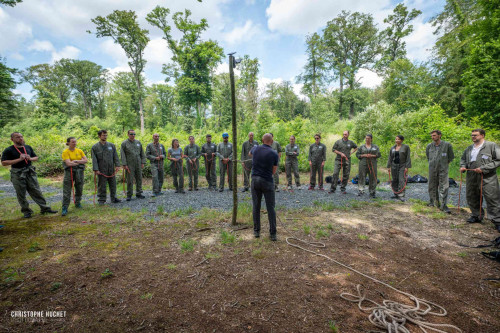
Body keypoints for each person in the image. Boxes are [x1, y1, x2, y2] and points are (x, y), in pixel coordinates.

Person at [1, 132, 58, 218]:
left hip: (30, 172)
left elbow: (36, 157)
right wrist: (19, 159)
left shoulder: (27, 147)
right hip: (17, 173)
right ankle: (26, 211)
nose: (20, 138)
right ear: (12, 139)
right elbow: (4, 163)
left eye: (21, 137)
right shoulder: (9, 150)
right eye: (17, 137)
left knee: (36, 190)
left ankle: (45, 208)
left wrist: (30, 158)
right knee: (21, 193)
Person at [460, 129, 500, 231]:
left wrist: (484, 168)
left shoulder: (491, 146)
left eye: (475, 135)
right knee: (472, 196)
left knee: (492, 198)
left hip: (487, 177)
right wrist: (463, 166)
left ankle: (497, 220)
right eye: (472, 135)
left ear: (482, 135)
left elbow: (498, 160)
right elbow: (463, 159)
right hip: (471, 176)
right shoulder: (469, 148)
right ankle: (476, 216)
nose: (473, 137)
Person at [250, 133, 279, 241]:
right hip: (267, 181)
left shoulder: (255, 148)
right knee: (270, 207)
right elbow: (274, 171)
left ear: (262, 140)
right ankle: (273, 234)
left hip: (255, 180)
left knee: (256, 206)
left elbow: (250, 154)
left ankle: (256, 231)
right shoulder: (274, 153)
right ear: (271, 141)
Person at [426, 130, 455, 213]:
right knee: (432, 185)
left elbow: (450, 157)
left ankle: (443, 205)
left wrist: (443, 164)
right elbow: (428, 157)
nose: (432, 137)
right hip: (432, 169)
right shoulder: (429, 146)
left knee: (443, 186)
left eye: (434, 135)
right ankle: (434, 202)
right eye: (431, 136)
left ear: (440, 135)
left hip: (443, 169)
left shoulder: (447, 145)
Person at [91, 130, 121, 205]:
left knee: (113, 184)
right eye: (103, 135)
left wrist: (117, 165)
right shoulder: (95, 147)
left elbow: (115, 156)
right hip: (101, 169)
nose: (105, 137)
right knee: (102, 185)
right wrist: (96, 169)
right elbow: (94, 159)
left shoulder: (111, 145)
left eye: (106, 135)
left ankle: (114, 198)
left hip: (111, 168)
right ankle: (101, 199)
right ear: (99, 136)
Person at [61, 137, 88, 216]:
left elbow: (86, 160)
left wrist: (76, 161)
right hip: (69, 173)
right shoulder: (65, 152)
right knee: (67, 190)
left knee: (79, 187)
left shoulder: (79, 151)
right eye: (73, 142)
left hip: (79, 172)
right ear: (68, 143)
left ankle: (78, 202)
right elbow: (68, 163)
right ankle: (65, 207)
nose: (74, 143)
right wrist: (80, 162)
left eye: (75, 142)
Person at [121, 130, 146, 201]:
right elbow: (122, 155)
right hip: (129, 164)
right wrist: (124, 164)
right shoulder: (124, 143)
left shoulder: (138, 143)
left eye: (134, 134)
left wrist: (143, 162)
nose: (133, 135)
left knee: (139, 178)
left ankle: (139, 193)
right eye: (131, 134)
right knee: (130, 180)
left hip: (138, 163)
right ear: (128, 134)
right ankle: (129, 194)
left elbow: (142, 153)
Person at [356, 134, 381, 198]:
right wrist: (363, 155)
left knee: (373, 177)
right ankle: (361, 190)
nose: (367, 139)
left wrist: (372, 155)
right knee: (361, 176)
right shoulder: (361, 147)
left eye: (368, 138)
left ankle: (372, 192)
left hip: (372, 163)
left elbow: (378, 155)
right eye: (366, 138)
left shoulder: (375, 147)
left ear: (371, 139)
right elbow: (357, 154)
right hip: (363, 163)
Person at [387, 135, 411, 201]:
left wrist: (407, 167)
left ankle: (401, 194)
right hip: (394, 165)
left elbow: (408, 157)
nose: (397, 140)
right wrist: (388, 166)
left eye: (398, 139)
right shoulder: (393, 148)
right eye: (396, 139)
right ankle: (395, 193)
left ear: (402, 140)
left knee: (401, 179)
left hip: (402, 165)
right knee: (394, 179)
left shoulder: (405, 147)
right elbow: (390, 157)